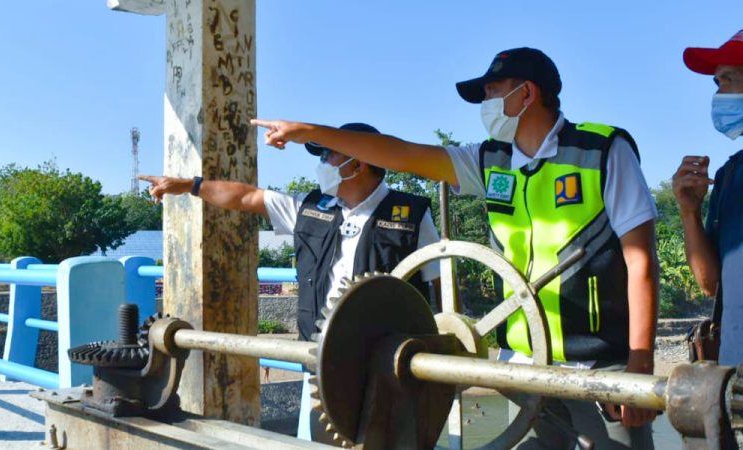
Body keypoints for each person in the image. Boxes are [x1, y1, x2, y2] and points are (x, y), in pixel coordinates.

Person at [253, 47, 660, 449]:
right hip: (526, 363)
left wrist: (639, 364)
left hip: (599, 364)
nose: (485, 103)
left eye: (491, 91)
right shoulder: (490, 161)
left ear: (527, 93)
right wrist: (313, 133)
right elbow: (404, 154)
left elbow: (640, 261)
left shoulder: (601, 151)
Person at [138, 122, 442, 442]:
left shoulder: (411, 215)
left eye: (329, 155)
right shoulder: (309, 207)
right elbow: (246, 197)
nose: (322, 164)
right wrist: (189, 185)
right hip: (324, 360)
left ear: (359, 162)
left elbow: (438, 285)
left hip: (389, 363)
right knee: (326, 444)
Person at [674, 31, 743, 367]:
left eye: (728, 80)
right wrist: (690, 211)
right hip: (736, 374)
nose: (718, 94)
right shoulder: (730, 175)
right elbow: (711, 284)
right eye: (717, 83)